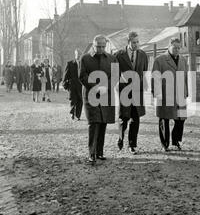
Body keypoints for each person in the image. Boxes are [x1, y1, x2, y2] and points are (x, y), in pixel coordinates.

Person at [79, 35, 118, 164]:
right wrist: (95, 87)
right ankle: (92, 153)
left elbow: (115, 75)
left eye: (103, 46)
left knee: (103, 122)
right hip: (91, 95)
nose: (100, 49)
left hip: (106, 95)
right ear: (93, 45)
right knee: (94, 123)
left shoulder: (112, 59)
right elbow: (82, 76)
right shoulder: (85, 58)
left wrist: (106, 87)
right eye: (98, 46)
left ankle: (100, 152)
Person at [114, 31, 148, 155]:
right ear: (128, 42)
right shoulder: (118, 55)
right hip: (124, 90)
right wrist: (117, 85)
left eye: (138, 42)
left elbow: (144, 72)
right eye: (134, 42)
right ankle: (121, 138)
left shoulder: (143, 55)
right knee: (124, 117)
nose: (136, 44)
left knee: (136, 117)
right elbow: (114, 73)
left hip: (137, 90)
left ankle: (132, 144)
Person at [151, 37, 188, 152]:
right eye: (174, 47)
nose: (177, 50)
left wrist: (186, 92)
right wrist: (157, 93)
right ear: (169, 47)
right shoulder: (160, 60)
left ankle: (176, 141)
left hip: (180, 94)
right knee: (164, 119)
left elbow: (185, 77)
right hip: (165, 94)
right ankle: (165, 144)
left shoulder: (183, 60)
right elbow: (155, 77)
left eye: (178, 48)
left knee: (181, 119)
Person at [63, 50, 83, 120]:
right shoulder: (70, 63)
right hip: (72, 85)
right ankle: (72, 113)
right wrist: (65, 85)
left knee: (80, 101)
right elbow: (65, 75)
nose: (79, 56)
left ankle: (78, 115)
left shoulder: (83, 64)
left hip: (81, 86)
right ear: (75, 54)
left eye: (80, 54)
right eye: (78, 54)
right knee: (73, 100)